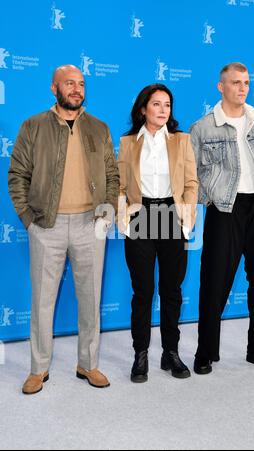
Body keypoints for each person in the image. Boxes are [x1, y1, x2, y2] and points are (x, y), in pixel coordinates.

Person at [8, 65, 119, 394]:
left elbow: (112, 175)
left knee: (91, 298)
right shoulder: (33, 126)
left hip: (90, 225)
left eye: (81, 84)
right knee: (42, 300)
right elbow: (17, 175)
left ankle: (88, 364)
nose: (77, 89)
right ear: (54, 88)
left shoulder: (99, 128)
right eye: (69, 83)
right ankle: (38, 369)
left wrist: (107, 211)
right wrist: (29, 219)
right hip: (46, 226)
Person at [190, 62, 254, 374]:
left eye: (246, 82)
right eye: (235, 83)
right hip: (225, 207)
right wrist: (211, 197)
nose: (242, 88)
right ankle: (205, 353)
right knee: (215, 279)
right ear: (221, 86)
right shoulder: (203, 127)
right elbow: (193, 173)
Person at [117, 84, 198, 382]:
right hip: (140, 216)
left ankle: (170, 353)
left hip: (172, 216)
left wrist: (185, 221)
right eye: (156, 104)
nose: (163, 110)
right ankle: (141, 354)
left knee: (171, 291)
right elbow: (121, 186)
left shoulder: (181, 141)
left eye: (167, 105)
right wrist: (124, 219)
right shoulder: (127, 143)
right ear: (143, 109)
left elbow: (191, 183)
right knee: (143, 291)